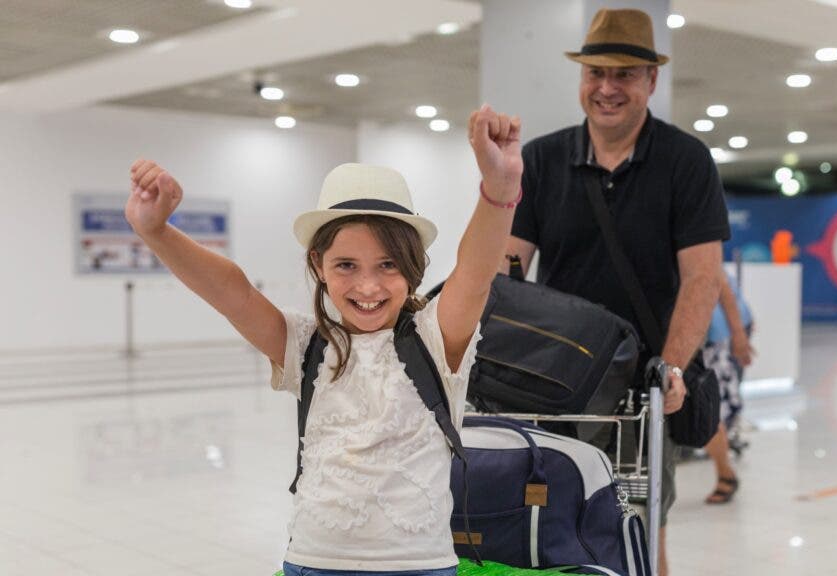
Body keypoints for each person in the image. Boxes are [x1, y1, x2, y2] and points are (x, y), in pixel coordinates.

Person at [125, 105, 523, 575]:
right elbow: (232, 291)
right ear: (318, 264)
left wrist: (499, 191)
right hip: (312, 563)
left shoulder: (437, 338)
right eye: (346, 265)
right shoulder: (305, 343)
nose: (368, 287)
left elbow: (475, 274)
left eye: (388, 265)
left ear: (413, 266)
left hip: (418, 565)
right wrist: (156, 232)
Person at [504, 9, 729, 575]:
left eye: (625, 74)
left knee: (643, 536)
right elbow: (506, 271)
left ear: (651, 80)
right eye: (595, 72)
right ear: (581, 79)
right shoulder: (541, 159)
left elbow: (702, 276)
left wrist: (671, 370)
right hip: (553, 390)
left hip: (641, 393)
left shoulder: (686, 162)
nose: (607, 88)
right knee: (548, 531)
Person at [701, 268, 754, 504]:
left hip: (716, 336)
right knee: (708, 409)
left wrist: (739, 335)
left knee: (710, 410)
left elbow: (721, 285)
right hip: (705, 333)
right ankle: (725, 470)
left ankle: (725, 473)